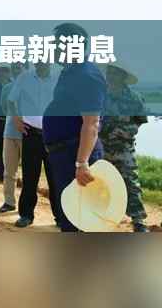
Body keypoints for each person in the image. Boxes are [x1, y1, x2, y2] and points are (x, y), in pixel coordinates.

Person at [43, 23, 107, 232]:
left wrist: (82, 163)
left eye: (55, 44)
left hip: (76, 153)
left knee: (82, 217)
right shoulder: (70, 72)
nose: (52, 49)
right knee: (68, 215)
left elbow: (92, 123)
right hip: (64, 153)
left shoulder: (87, 75)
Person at [7, 62, 59, 228]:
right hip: (31, 134)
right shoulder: (24, 77)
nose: (41, 62)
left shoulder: (59, 77)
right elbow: (11, 101)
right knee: (30, 177)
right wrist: (16, 119)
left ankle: (60, 217)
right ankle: (26, 215)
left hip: (53, 135)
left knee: (55, 178)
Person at [99, 63, 149, 233]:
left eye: (114, 73)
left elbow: (140, 122)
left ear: (122, 76)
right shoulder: (100, 95)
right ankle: (101, 217)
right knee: (100, 183)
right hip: (101, 147)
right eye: (109, 73)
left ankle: (138, 220)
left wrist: (121, 131)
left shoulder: (135, 98)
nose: (110, 76)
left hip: (124, 148)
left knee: (131, 181)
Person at [0, 62, 25, 213]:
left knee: (28, 172)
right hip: (9, 133)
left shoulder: (31, 88)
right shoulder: (7, 88)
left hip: (28, 134)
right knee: (9, 171)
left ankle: (26, 207)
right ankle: (9, 202)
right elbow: (4, 107)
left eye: (19, 67)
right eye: (13, 68)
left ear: (25, 69)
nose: (16, 71)